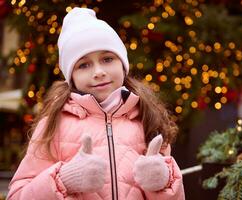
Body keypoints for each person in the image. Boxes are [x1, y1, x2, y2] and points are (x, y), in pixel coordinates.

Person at [7, 7, 185, 200]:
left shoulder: (147, 118)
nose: (99, 71)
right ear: (72, 77)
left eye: (107, 59)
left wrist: (162, 182)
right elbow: (17, 196)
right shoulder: (53, 125)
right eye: (84, 65)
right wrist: (63, 180)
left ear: (122, 65)